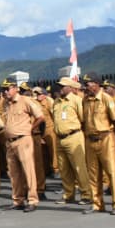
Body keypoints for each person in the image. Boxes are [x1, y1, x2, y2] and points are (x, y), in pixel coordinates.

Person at [82, 73, 115, 215]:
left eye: (88, 84)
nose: (86, 86)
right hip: (90, 140)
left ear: (96, 84)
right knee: (93, 174)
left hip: (106, 138)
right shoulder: (85, 100)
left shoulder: (107, 99)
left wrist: (113, 138)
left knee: (112, 172)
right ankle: (97, 204)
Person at [2, 80, 44, 212]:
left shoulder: (25, 101)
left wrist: (30, 129)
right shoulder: (5, 103)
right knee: (14, 173)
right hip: (10, 141)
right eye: (3, 89)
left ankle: (32, 200)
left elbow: (40, 117)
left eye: (7, 89)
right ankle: (18, 200)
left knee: (28, 170)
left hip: (23, 139)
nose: (5, 92)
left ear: (15, 89)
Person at [51, 77, 88, 205]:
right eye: (59, 86)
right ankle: (68, 194)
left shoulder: (77, 100)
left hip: (74, 137)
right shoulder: (56, 102)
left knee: (79, 167)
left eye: (62, 86)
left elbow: (83, 119)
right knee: (64, 169)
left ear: (69, 87)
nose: (60, 89)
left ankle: (86, 194)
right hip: (60, 138)